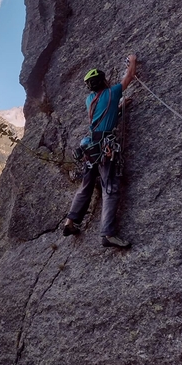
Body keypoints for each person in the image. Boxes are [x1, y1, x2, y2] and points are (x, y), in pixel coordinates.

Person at [63, 55, 137, 248]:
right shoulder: (112, 92)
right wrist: (133, 60)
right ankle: (108, 234)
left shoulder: (90, 100)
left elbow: (103, 115)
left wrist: (119, 108)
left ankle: (70, 222)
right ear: (104, 81)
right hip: (105, 147)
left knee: (86, 186)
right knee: (110, 188)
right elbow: (129, 77)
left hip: (90, 147)